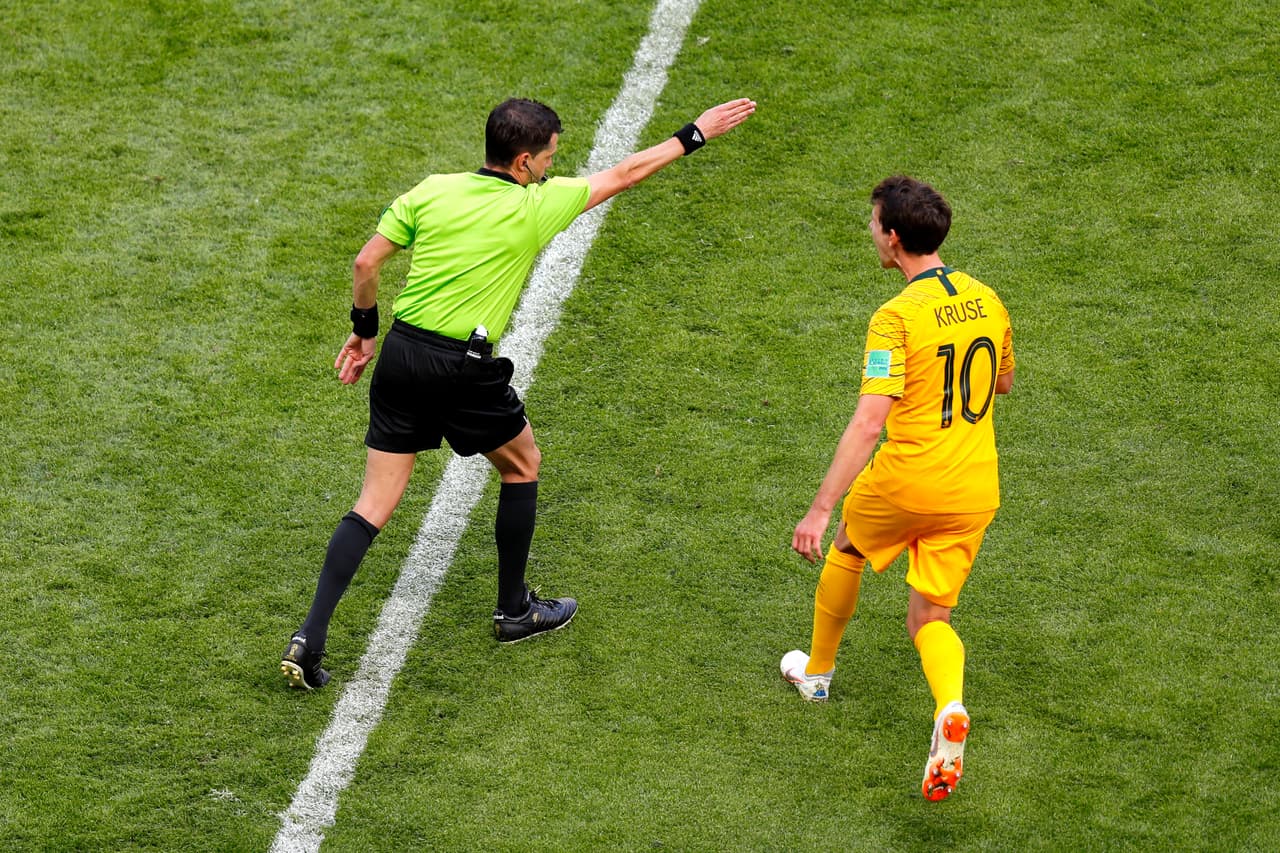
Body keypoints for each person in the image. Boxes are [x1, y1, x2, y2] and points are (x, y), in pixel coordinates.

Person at [281, 95, 756, 690]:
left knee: (373, 503)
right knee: (522, 464)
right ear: (524, 162)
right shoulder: (537, 205)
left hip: (401, 354)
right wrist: (697, 133)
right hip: (463, 366)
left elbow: (366, 262)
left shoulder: (433, 190)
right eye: (551, 157)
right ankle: (514, 610)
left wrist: (364, 331)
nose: (555, 167)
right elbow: (627, 172)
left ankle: (310, 635)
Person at [781, 175, 1015, 802]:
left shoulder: (894, 317)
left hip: (908, 479)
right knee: (929, 617)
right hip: (974, 488)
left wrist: (820, 507)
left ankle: (820, 673)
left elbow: (869, 420)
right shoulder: (988, 299)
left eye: (874, 222)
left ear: (892, 237)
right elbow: (1002, 383)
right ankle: (949, 707)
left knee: (850, 548)